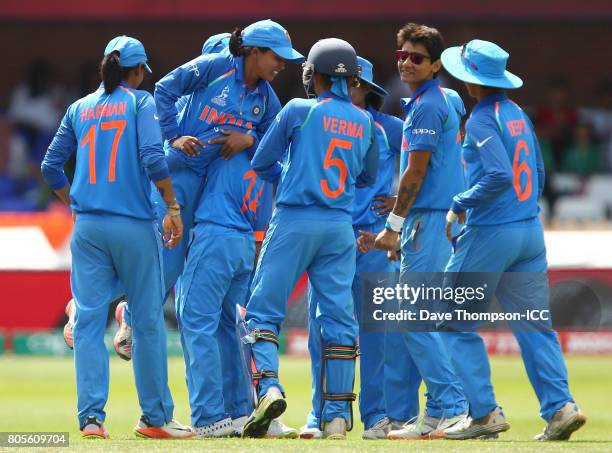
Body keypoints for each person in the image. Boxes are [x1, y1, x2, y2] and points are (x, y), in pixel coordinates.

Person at [40, 36, 193, 440]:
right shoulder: (140, 102)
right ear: (139, 70)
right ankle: (155, 418)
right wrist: (173, 207)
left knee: (89, 322)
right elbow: (152, 156)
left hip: (88, 227)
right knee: (146, 322)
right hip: (133, 225)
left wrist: (74, 201)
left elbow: (51, 165)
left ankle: (91, 420)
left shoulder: (78, 108)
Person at [440, 39, 587, 441]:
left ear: (470, 79)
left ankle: (484, 413)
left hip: (491, 233)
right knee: (534, 325)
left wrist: (459, 203)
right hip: (528, 230)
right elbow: (537, 172)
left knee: (450, 321)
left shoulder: (483, 118)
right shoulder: (518, 114)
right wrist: (522, 212)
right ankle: (560, 407)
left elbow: (499, 176)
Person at [241, 38, 379, 440]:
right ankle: (336, 416)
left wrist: (295, 171)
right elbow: (368, 176)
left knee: (262, 313)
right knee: (338, 319)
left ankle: (267, 388)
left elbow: (261, 161)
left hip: (295, 218)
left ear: (314, 75)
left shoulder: (298, 110)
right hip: (339, 226)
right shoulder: (364, 121)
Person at [369, 23, 468, 439]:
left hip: (427, 222)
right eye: (402, 56)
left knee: (414, 318)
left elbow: (417, 168)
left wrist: (394, 225)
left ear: (437, 64)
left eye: (416, 57)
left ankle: (453, 407)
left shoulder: (426, 105)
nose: (406, 63)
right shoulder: (449, 98)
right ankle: (435, 413)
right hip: (440, 219)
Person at [300, 56, 403, 440]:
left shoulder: (390, 127)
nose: (347, 91)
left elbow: (430, 164)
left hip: (375, 239)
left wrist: (401, 202)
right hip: (332, 233)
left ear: (366, 90)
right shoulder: (316, 119)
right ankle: (322, 413)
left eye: (354, 85)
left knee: (376, 333)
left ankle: (376, 415)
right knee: (320, 329)